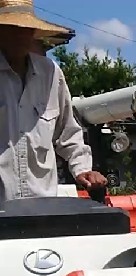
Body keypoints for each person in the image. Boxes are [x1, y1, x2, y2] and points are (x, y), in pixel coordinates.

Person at [0, 0, 107, 205]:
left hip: (43, 206)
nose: (20, 35)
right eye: (12, 28)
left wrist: (83, 169)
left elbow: (67, 132)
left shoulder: (50, 73)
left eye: (25, 29)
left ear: (33, 32)